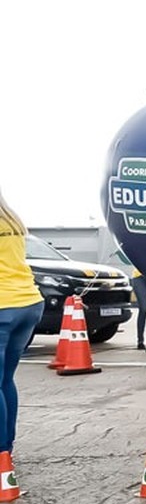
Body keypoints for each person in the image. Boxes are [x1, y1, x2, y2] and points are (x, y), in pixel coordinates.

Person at [0, 192, 44, 457]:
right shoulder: (12, 220)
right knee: (5, 379)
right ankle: (7, 448)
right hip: (28, 303)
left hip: (3, 305)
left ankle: (1, 450)